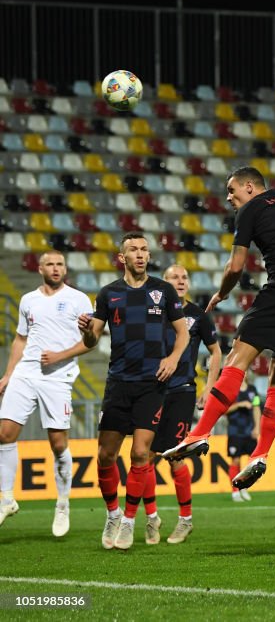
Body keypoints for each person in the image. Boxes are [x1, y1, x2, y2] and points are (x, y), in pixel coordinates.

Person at [161, 166, 275, 493]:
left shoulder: (250, 209)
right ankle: (260, 453)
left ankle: (199, 433)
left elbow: (236, 266)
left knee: (237, 359)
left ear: (250, 186)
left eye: (232, 191)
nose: (230, 198)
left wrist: (222, 292)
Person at [78, 233, 189, 551]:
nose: (140, 254)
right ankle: (112, 513)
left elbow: (182, 333)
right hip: (119, 383)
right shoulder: (108, 294)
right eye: (133, 250)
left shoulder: (163, 291)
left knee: (141, 454)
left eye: (144, 250)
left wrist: (172, 358)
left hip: (151, 384)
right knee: (105, 455)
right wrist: (86, 332)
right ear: (121, 257)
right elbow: (93, 340)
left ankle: (128, 522)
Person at [0, 251, 93, 537]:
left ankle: (63, 503)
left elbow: (90, 342)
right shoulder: (29, 300)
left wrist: (59, 356)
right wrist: (8, 374)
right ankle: (6, 499)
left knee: (57, 443)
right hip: (26, 372)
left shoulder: (79, 299)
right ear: (39, 268)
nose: (56, 268)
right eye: (50, 264)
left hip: (58, 377)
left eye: (60, 264)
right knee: (4, 434)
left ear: (65, 269)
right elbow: (20, 338)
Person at [147, 265, 222, 544]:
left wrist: (210, 388)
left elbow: (216, 352)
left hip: (182, 391)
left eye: (184, 277)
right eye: (173, 277)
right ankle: (152, 517)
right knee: (144, 458)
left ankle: (185, 520)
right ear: (163, 284)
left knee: (174, 457)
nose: (180, 281)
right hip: (152, 390)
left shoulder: (197, 315)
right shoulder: (154, 312)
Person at [226, 371, 261, 502]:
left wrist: (257, 427)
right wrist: (239, 405)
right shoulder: (231, 389)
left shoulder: (253, 389)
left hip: (249, 431)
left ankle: (244, 487)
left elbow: (257, 407)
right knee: (235, 461)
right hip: (235, 431)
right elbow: (225, 410)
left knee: (251, 463)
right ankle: (235, 491)